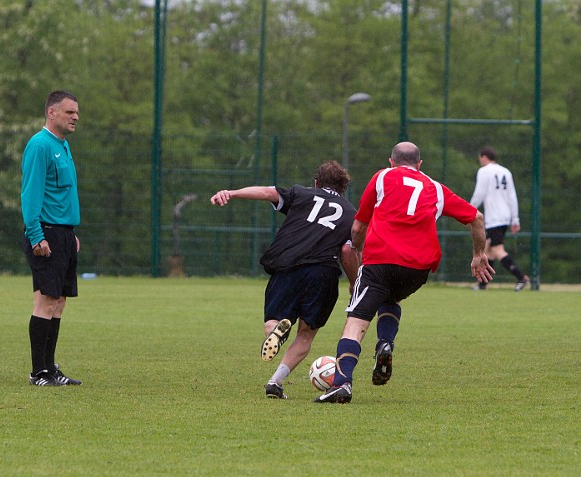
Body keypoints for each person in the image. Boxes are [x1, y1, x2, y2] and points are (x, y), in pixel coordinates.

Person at [315, 141, 494, 404]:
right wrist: (479, 254)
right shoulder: (435, 188)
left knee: (355, 323)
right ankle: (385, 343)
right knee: (390, 298)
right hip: (417, 269)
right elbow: (476, 217)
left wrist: (359, 252)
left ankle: (341, 385)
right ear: (419, 164)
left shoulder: (382, 177)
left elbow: (357, 228)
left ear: (391, 161)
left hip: (379, 262)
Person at [211, 160, 360, 400]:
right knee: (306, 334)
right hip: (323, 273)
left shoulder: (301, 194)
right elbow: (346, 252)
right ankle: (275, 382)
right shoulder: (352, 214)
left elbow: (268, 192)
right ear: (342, 188)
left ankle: (275, 331)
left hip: (288, 264)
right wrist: (354, 283)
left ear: (315, 182)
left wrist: (233, 193)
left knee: (273, 320)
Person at [21, 90, 83, 387]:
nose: (75, 117)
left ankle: (50, 367)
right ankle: (38, 372)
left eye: (76, 113)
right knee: (46, 301)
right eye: (69, 112)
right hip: (45, 233)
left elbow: (61, 196)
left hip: (63, 234)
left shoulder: (63, 146)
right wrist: (37, 235)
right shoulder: (40, 145)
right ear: (51, 112)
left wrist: (71, 235)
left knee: (58, 302)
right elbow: (31, 195)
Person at [469, 146, 530, 291]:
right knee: (487, 250)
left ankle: (521, 277)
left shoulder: (484, 171)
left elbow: (479, 193)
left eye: (480, 158)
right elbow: (512, 196)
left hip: (494, 217)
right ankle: (483, 284)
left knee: (497, 250)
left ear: (484, 157)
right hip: (505, 216)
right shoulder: (505, 171)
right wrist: (515, 219)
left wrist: (468, 210)